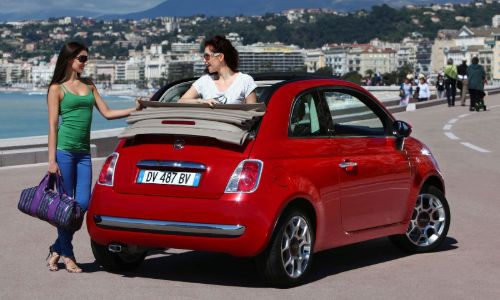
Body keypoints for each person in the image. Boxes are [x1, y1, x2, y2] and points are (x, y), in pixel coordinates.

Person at [46, 41, 142, 273]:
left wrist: (135, 109)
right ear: (70, 59)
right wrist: (51, 160)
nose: (85, 62)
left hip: (83, 153)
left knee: (83, 203)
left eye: (86, 58)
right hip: (65, 152)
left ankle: (56, 247)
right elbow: (52, 125)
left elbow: (108, 113)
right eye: (82, 58)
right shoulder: (57, 89)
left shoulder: (89, 85)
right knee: (67, 206)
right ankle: (68, 255)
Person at [179, 35, 257, 105]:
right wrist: (201, 101)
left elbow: (253, 114)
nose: (204, 60)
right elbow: (181, 101)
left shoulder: (245, 81)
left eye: (207, 56)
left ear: (220, 57)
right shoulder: (204, 81)